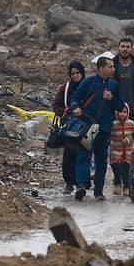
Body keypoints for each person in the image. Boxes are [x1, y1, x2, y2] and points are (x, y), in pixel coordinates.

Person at [69, 56, 125, 201]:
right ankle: (81, 185)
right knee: (84, 155)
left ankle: (98, 190)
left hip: (105, 127)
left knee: (101, 159)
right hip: (88, 126)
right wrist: (76, 108)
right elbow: (75, 98)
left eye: (113, 66)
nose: (113, 69)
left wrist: (111, 98)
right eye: (110, 67)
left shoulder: (114, 86)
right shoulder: (88, 82)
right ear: (101, 68)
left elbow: (120, 106)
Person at [52, 61, 85, 195]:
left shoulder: (87, 86)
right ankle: (69, 182)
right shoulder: (65, 88)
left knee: (82, 154)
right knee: (68, 154)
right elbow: (56, 105)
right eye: (73, 74)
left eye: (78, 73)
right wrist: (65, 111)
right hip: (68, 125)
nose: (76, 76)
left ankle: (81, 182)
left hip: (84, 125)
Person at [110, 103, 134, 196]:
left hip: (128, 150)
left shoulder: (131, 123)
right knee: (115, 166)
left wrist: (128, 139)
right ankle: (117, 184)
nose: (122, 114)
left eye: (124, 112)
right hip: (116, 148)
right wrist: (111, 141)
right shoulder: (113, 124)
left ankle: (126, 186)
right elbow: (111, 136)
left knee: (126, 168)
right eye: (120, 112)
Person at [114, 38, 134, 116]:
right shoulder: (112, 66)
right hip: (116, 110)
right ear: (118, 48)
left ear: (131, 49)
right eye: (123, 46)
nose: (125, 49)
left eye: (128, 47)